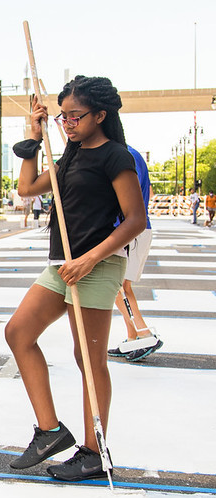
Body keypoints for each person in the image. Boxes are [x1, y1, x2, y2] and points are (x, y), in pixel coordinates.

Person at [4, 76, 145, 482]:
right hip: (61, 265)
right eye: (63, 115)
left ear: (100, 115)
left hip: (97, 265)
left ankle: (94, 451)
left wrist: (89, 259)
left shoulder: (115, 157)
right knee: (18, 332)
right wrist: (33, 139)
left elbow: (135, 219)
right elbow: (27, 188)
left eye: (75, 115)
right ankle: (50, 431)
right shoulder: (69, 156)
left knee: (89, 358)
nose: (67, 122)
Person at [109, 145, 162, 362]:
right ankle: (133, 338)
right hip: (134, 228)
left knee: (117, 285)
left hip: (128, 229)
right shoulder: (130, 153)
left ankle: (144, 333)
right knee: (121, 286)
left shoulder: (121, 155)